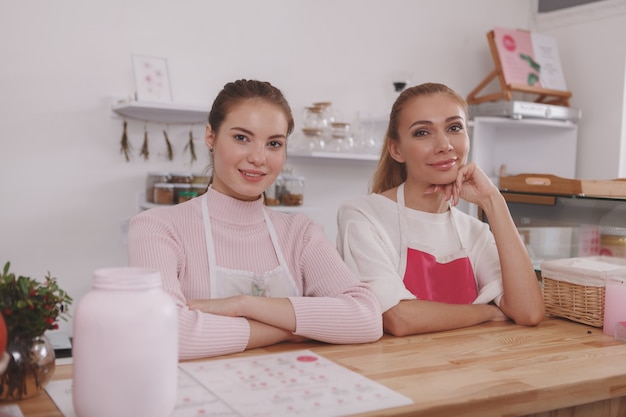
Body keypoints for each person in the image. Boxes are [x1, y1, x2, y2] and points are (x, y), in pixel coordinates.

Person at [128, 79, 382, 359]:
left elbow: (367, 317)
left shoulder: (301, 234)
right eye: (241, 138)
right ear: (211, 137)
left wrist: (242, 305)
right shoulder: (158, 227)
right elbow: (164, 334)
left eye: (274, 143)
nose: (259, 158)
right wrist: (292, 328)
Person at [337, 82, 545, 337]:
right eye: (422, 133)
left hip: (472, 370)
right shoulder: (363, 216)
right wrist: (487, 312)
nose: (444, 144)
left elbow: (529, 312)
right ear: (396, 149)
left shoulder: (475, 232)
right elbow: (397, 317)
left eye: (454, 128)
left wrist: (494, 201)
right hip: (395, 373)